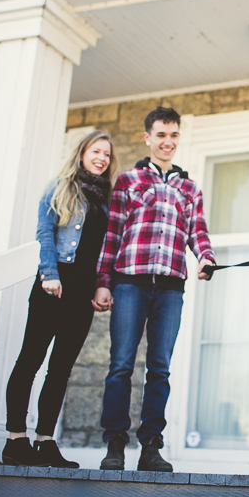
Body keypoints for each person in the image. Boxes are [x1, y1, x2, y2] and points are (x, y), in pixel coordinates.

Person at [94, 106, 215, 472]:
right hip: (129, 283)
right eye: (161, 135)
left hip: (169, 289)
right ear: (148, 138)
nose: (168, 142)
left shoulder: (189, 187)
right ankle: (115, 445)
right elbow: (112, 233)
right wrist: (103, 282)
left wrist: (205, 258)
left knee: (159, 369)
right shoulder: (129, 181)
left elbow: (198, 231)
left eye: (173, 135)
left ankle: (150, 447)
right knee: (121, 365)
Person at [1, 130, 117, 468]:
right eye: (97, 151)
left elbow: (103, 249)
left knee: (60, 369)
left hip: (82, 292)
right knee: (30, 361)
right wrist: (48, 273)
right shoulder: (60, 186)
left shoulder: (104, 198)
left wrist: (101, 284)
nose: (102, 159)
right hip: (54, 284)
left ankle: (45, 441)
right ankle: (15, 440)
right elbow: (44, 233)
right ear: (82, 152)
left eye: (107, 155)